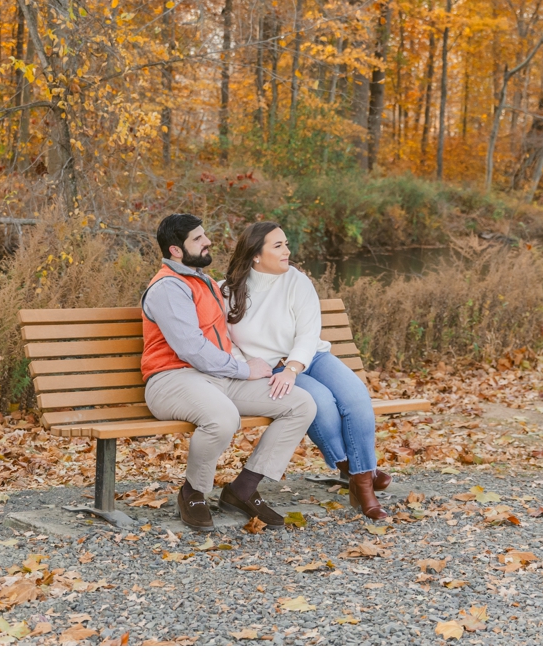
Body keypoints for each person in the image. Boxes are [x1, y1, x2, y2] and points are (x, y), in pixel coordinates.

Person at [141, 213, 316, 532]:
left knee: (300, 403)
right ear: (176, 250)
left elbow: (230, 333)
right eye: (198, 238)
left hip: (217, 378)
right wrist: (243, 369)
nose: (207, 241)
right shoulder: (168, 287)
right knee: (223, 418)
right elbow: (191, 349)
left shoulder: (205, 282)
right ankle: (193, 493)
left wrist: (265, 363)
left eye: (204, 235)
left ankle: (243, 489)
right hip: (172, 380)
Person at [222, 221, 392, 520]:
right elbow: (224, 339)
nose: (288, 251)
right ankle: (359, 475)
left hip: (310, 357)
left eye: (286, 243)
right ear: (255, 255)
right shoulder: (228, 292)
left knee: (356, 398)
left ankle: (361, 481)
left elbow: (308, 332)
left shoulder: (296, 281)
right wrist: (247, 366)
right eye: (279, 246)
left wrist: (292, 368)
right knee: (321, 405)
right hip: (271, 370)